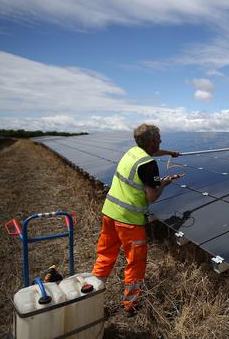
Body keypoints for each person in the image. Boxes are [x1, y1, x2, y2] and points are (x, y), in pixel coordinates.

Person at [92, 123, 180, 316]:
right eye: (158, 139)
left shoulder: (132, 152)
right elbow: (152, 196)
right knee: (135, 262)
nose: (161, 142)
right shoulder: (149, 165)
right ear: (150, 142)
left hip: (109, 212)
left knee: (106, 254)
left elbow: (152, 153)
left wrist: (170, 152)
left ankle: (90, 294)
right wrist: (164, 183)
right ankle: (131, 305)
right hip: (129, 221)